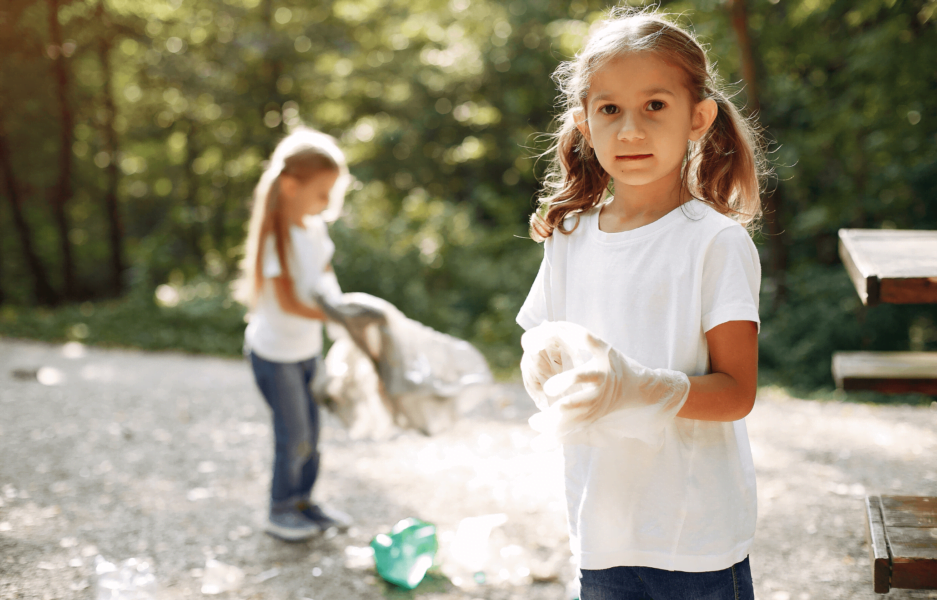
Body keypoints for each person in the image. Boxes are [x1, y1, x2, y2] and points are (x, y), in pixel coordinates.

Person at [516, 7, 766, 599]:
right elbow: (543, 351)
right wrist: (544, 372)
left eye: (655, 106)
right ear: (583, 122)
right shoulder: (570, 238)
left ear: (698, 117)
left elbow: (736, 392)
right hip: (600, 528)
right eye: (609, 110)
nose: (630, 131)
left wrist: (636, 388)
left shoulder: (715, 241)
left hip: (696, 535)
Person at [234, 127, 354, 542]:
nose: (326, 203)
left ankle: (304, 501)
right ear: (290, 185)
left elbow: (324, 281)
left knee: (313, 435)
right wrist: (335, 317)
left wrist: (344, 312)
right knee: (294, 435)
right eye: (321, 193)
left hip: (306, 351)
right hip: (274, 355)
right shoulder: (275, 237)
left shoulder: (314, 229)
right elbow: (287, 302)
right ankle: (280, 509)